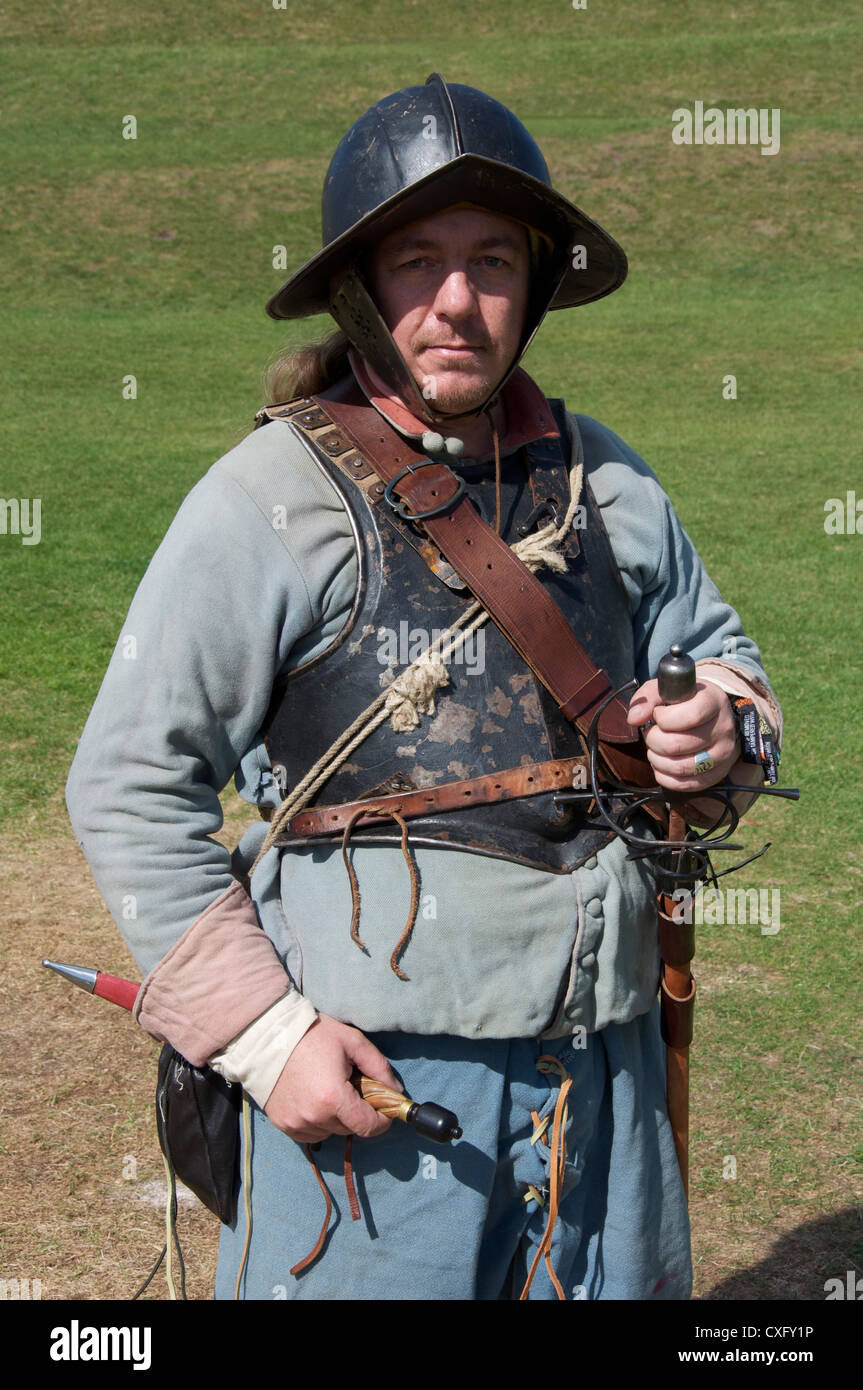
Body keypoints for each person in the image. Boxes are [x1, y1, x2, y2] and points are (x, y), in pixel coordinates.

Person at [66, 74, 782, 1301]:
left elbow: (733, 672)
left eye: (492, 260)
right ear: (360, 287)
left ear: (537, 283)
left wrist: (716, 728)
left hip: (603, 1073)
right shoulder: (269, 502)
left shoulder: (606, 485)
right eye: (417, 260)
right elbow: (128, 783)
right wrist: (264, 1038)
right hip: (373, 1097)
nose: (457, 299)